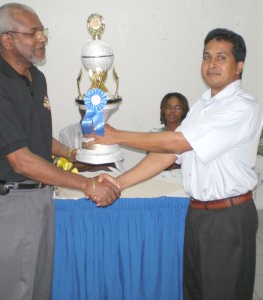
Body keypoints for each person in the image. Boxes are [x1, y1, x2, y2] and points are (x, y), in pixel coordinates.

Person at [89, 28, 263, 300]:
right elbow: (168, 155)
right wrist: (118, 183)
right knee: (195, 291)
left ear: (239, 66)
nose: (212, 64)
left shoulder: (242, 107)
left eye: (221, 57)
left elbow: (176, 143)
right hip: (197, 214)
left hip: (228, 217)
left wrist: (118, 135)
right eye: (207, 57)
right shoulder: (203, 106)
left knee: (223, 292)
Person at [0, 3, 120, 300]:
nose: (43, 38)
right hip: (9, 204)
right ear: (7, 40)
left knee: (38, 291)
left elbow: (37, 138)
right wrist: (87, 185)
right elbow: (22, 160)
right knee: (10, 293)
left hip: (39, 198)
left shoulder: (35, 79)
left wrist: (75, 155)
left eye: (42, 30)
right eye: (33, 32)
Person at [59, 109, 125, 172]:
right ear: (80, 110)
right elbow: (65, 167)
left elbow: (112, 164)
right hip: (77, 179)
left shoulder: (107, 132)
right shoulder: (66, 133)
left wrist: (83, 162)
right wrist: (97, 162)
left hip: (106, 177)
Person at [150, 92, 189, 170]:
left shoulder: (188, 135)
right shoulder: (154, 134)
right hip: (158, 177)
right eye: (168, 107)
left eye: (177, 108)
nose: (172, 111)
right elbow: (151, 161)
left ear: (184, 111)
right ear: (163, 110)